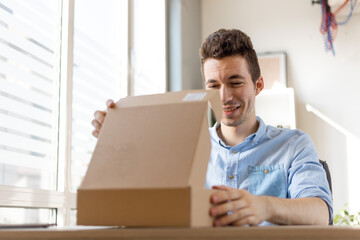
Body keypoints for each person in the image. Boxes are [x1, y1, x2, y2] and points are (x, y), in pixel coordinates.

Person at [91, 29, 333, 226]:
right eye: (213, 85)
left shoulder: (293, 145)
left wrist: (265, 206)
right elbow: (142, 203)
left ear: (258, 85)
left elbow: (320, 213)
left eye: (235, 82)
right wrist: (116, 141)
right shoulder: (184, 148)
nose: (224, 97)